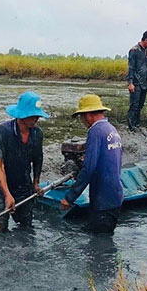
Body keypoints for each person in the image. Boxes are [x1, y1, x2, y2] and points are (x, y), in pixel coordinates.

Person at [61, 95, 124, 234]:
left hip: (103, 199)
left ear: (88, 115)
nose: (82, 121)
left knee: (100, 247)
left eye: (81, 117)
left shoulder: (95, 131)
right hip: (115, 195)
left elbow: (88, 169)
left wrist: (69, 197)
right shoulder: (111, 129)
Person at [0, 91, 47, 232]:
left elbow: (38, 159)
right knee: (1, 226)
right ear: (21, 115)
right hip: (1, 185)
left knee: (26, 225)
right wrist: (7, 195)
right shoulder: (2, 132)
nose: (36, 119)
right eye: (32, 116)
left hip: (23, 182)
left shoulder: (37, 134)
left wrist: (36, 183)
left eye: (37, 116)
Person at [126, 30, 147, 131]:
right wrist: (130, 83)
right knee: (134, 105)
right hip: (135, 82)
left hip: (144, 82)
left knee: (140, 105)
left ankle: (137, 124)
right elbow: (131, 68)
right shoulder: (134, 50)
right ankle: (131, 126)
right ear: (146, 39)